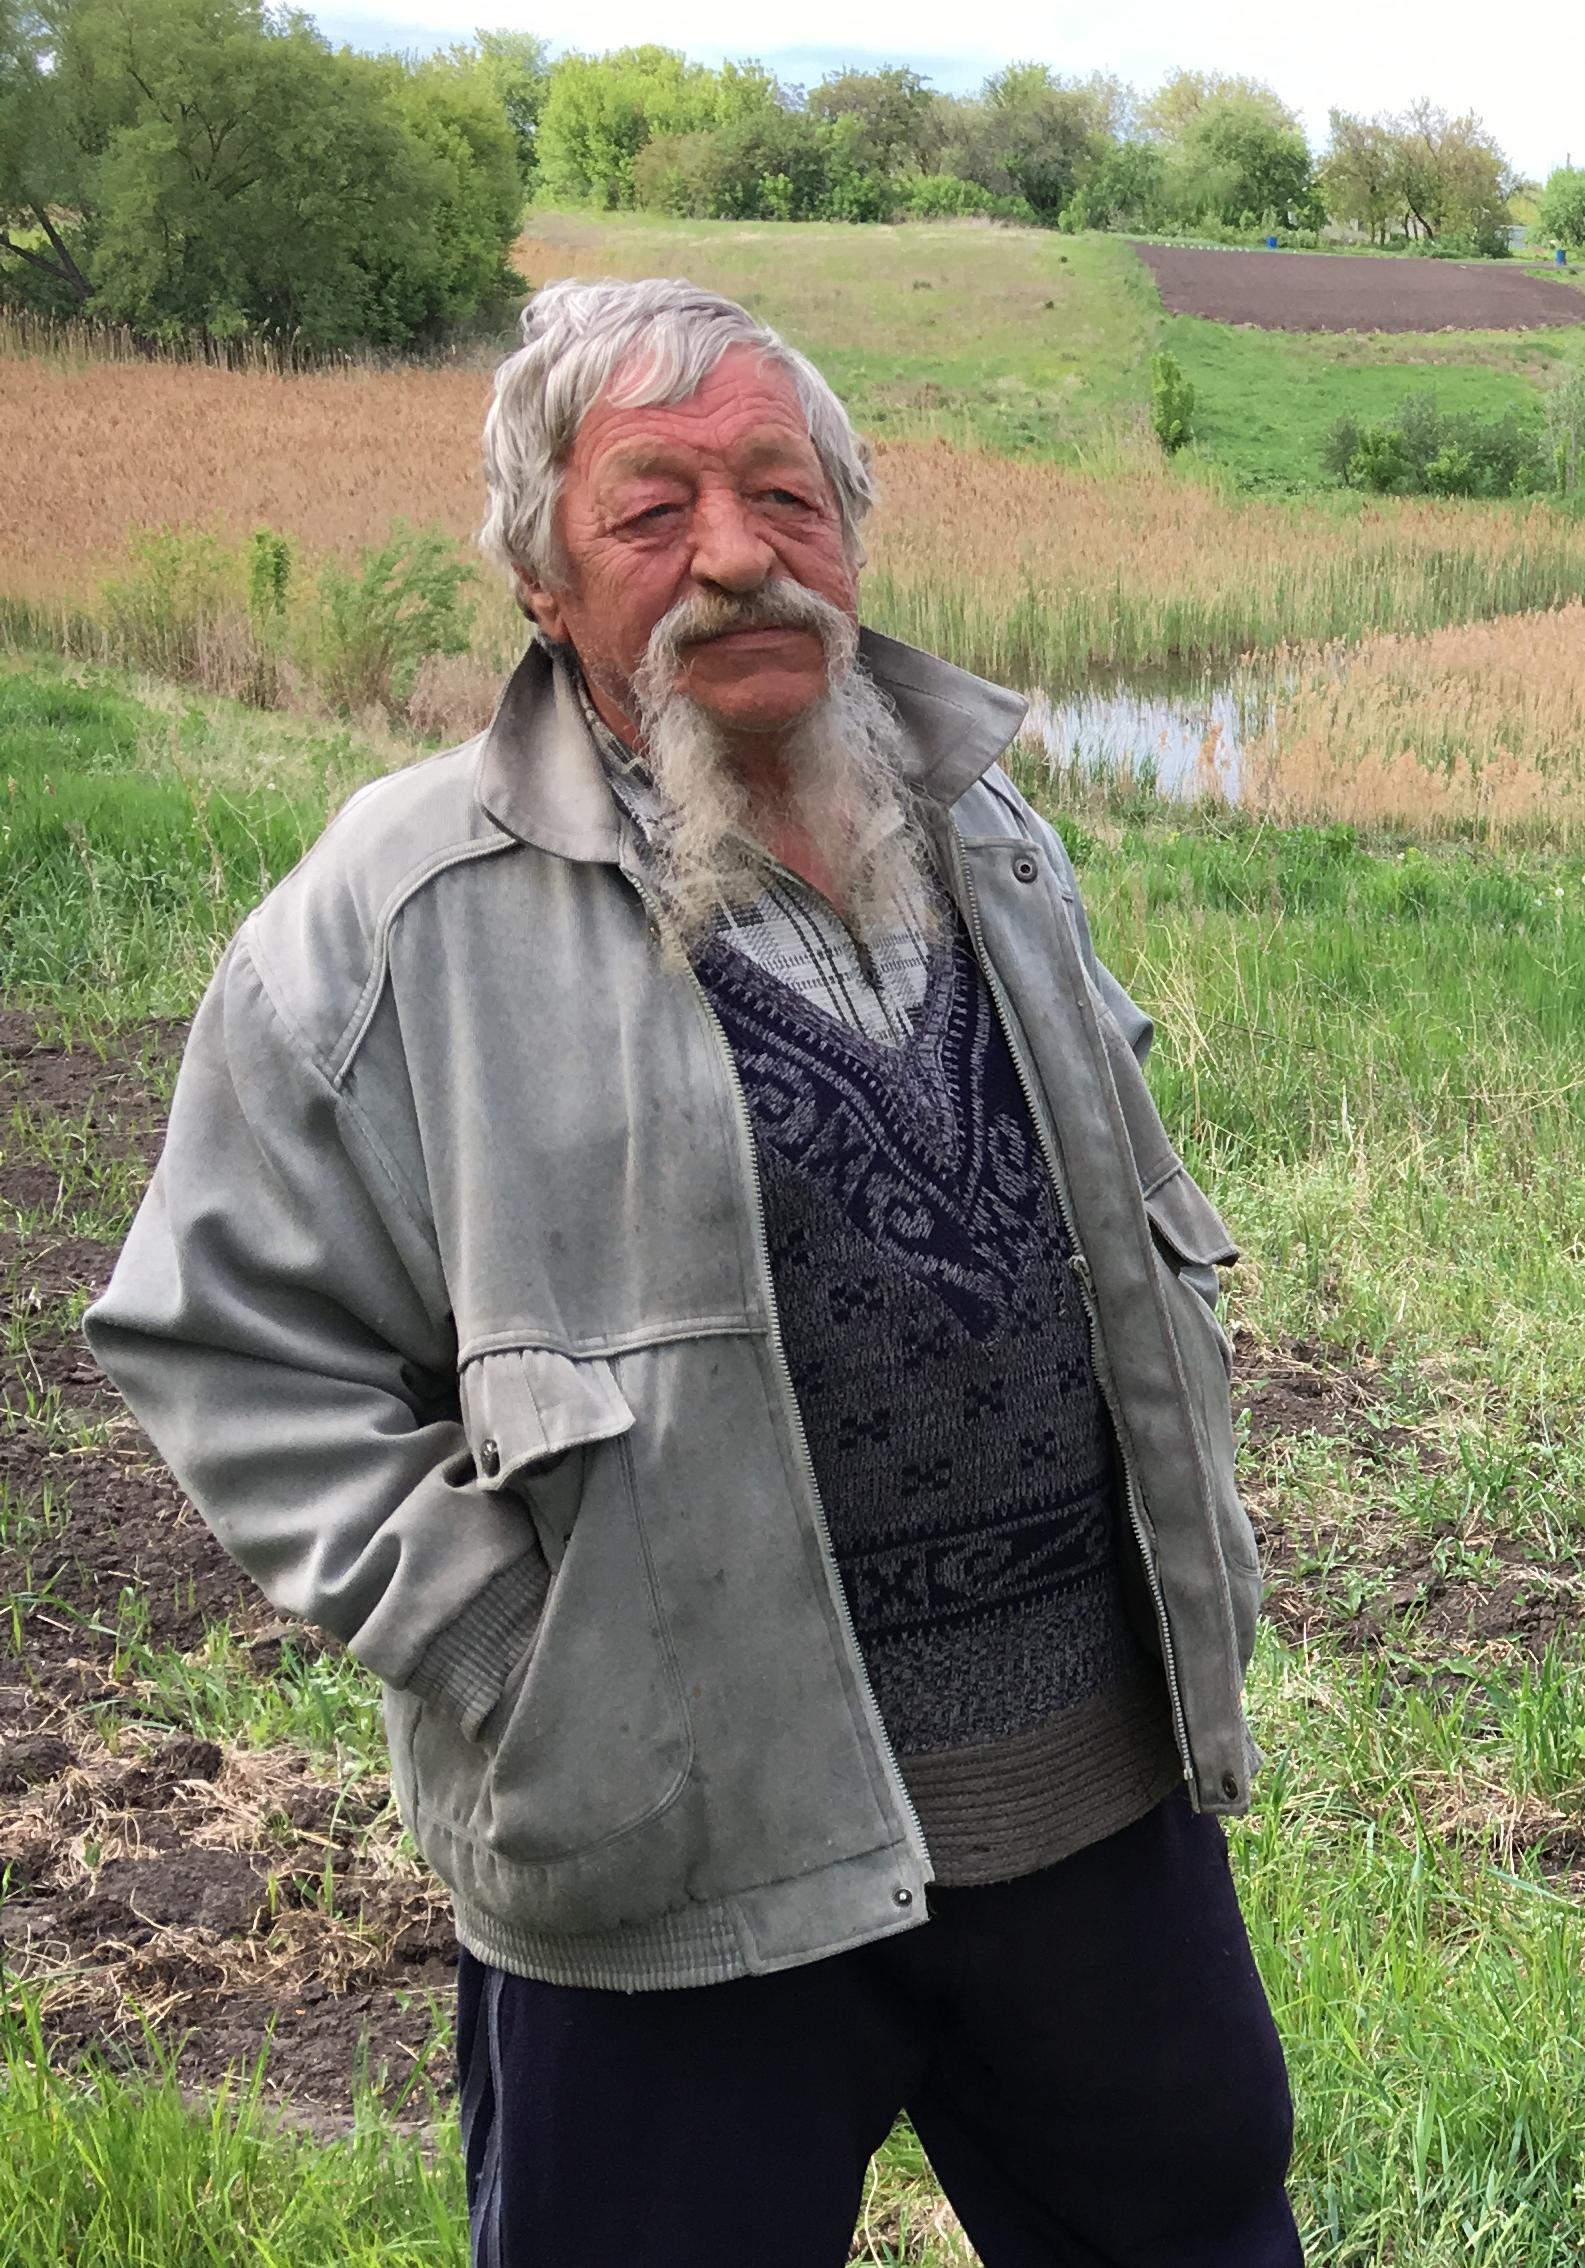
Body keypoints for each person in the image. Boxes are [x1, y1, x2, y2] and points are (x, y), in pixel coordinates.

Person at [87, 276, 1297, 2267]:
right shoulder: (402, 911)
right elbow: (225, 1334)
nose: (735, 552)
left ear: (849, 533)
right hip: (674, 1858)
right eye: (655, 508)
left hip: (1086, 1806)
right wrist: (522, 1661)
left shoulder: (987, 830)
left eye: (783, 492)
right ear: (545, 580)